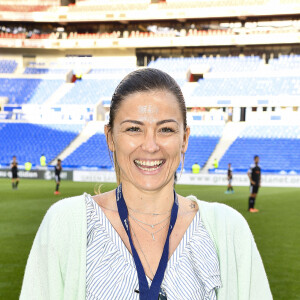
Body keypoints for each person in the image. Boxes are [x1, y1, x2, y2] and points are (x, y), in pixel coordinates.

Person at [20, 69, 272, 300]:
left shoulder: (228, 230)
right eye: (133, 129)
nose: (150, 146)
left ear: (184, 139)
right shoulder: (66, 224)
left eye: (165, 130)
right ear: (110, 137)